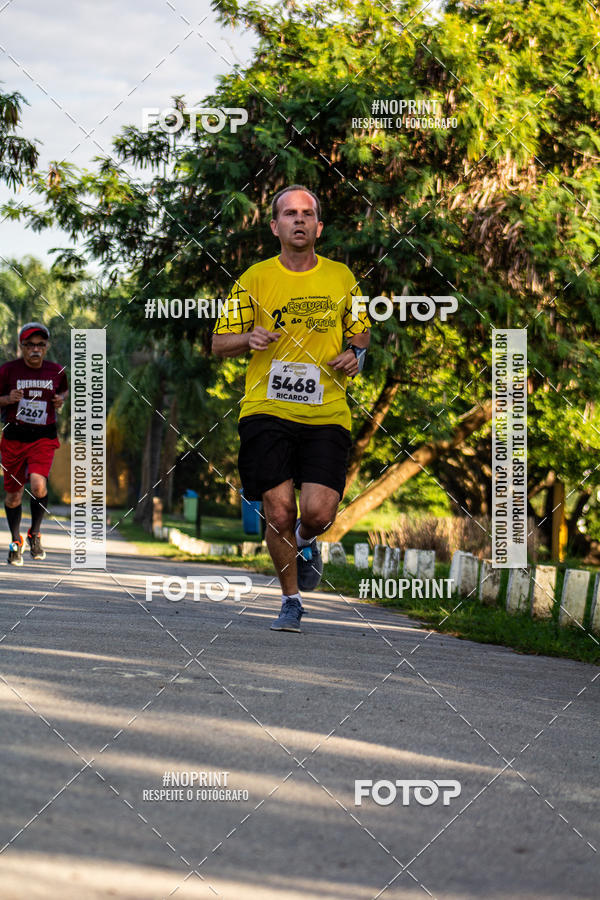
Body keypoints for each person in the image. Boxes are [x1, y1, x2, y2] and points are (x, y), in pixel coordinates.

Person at [212, 185, 370, 632]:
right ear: (275, 226)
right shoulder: (255, 278)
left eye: (307, 214)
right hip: (267, 409)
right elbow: (219, 343)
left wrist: (355, 356)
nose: (298, 220)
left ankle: (304, 542)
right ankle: (291, 600)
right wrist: (249, 338)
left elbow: (361, 334)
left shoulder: (342, 277)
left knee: (318, 513)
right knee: (278, 509)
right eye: (289, 213)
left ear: (318, 227)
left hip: (327, 412)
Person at [0, 322, 68, 565]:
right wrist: (7, 399)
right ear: (22, 346)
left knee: (39, 485)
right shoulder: (8, 371)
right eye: (30, 345)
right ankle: (15, 540)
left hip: (43, 437)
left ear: (46, 347)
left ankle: (35, 534)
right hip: (14, 439)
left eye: (40, 345)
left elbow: (63, 391)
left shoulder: (56, 371)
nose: (35, 350)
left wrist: (60, 400)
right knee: (13, 496)